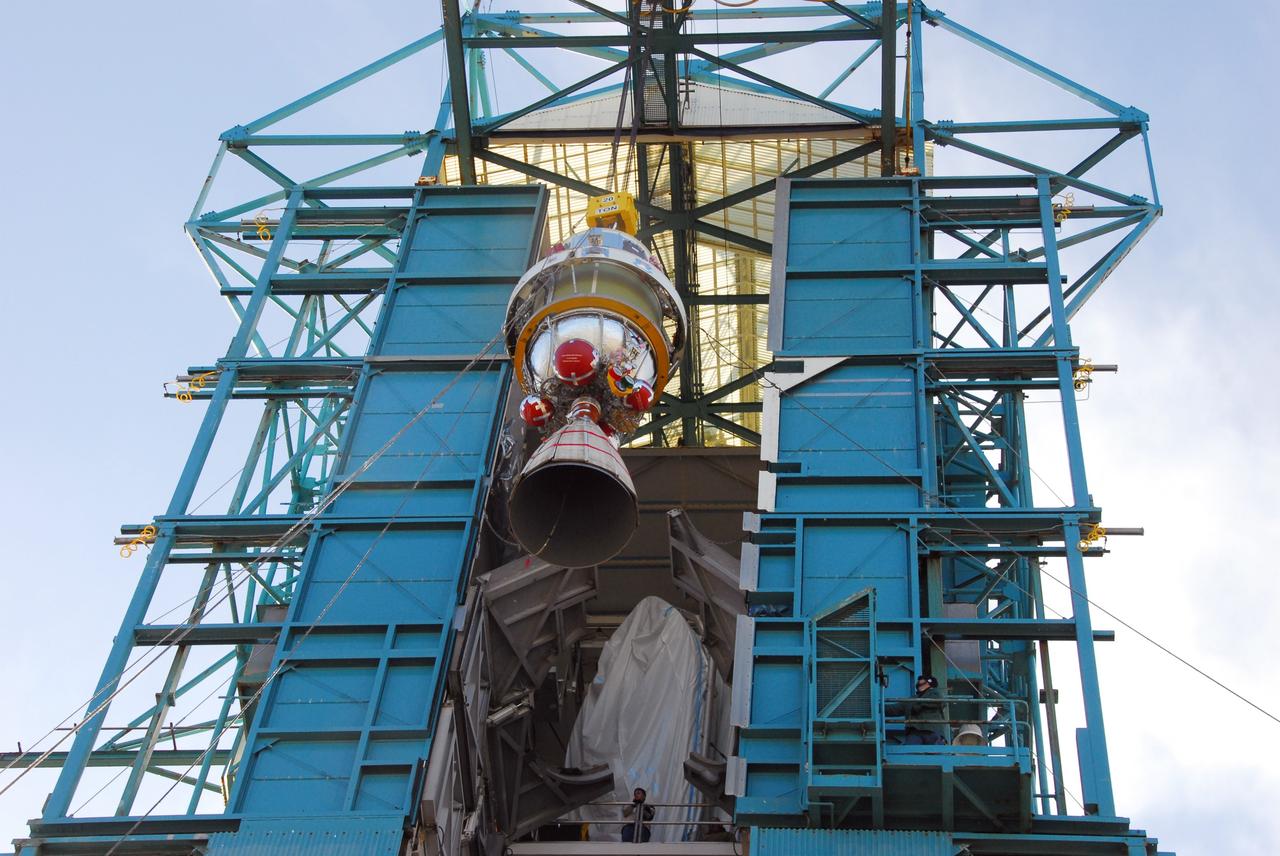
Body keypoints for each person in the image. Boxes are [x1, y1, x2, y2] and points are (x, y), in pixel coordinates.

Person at [886, 675, 947, 745]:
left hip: (932, 730)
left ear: (928, 683)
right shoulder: (912, 699)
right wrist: (877, 707)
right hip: (915, 732)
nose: (918, 681)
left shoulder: (935, 692)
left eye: (922, 679)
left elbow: (939, 701)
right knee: (911, 752)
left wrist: (917, 705)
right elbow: (894, 709)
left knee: (934, 753)